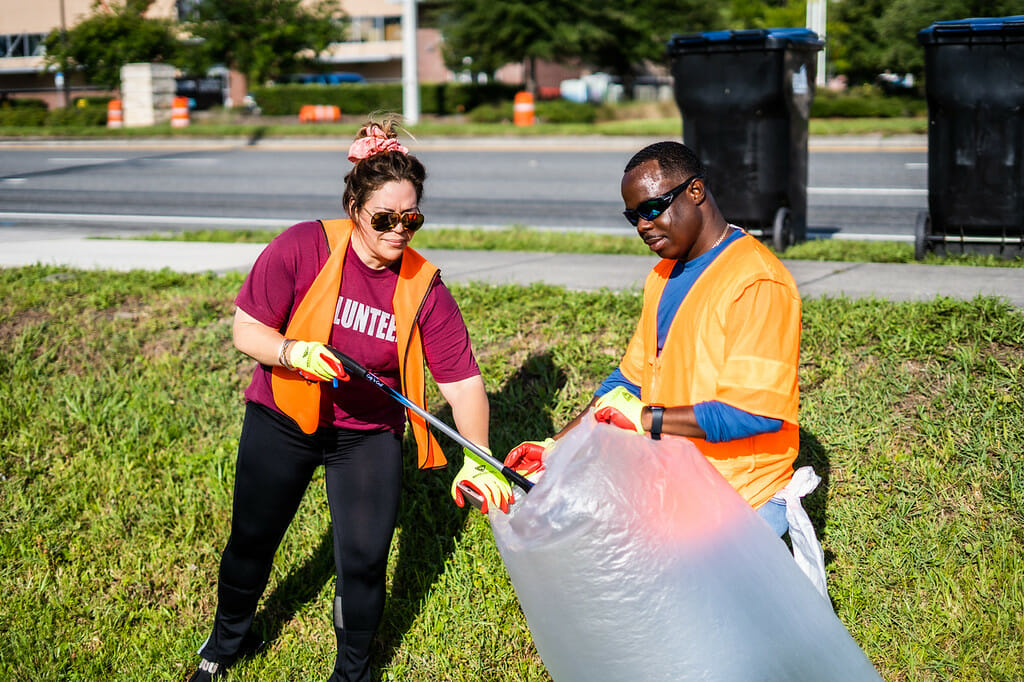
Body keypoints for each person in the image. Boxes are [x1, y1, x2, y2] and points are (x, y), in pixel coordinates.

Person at [189, 119, 512, 682]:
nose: (398, 231)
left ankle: (354, 673)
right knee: (252, 539)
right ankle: (222, 645)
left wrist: (479, 457)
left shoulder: (425, 286)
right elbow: (246, 330)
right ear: (354, 206)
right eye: (384, 219)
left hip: (366, 433)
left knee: (364, 561)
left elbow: (460, 381)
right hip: (285, 415)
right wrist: (291, 352)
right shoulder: (303, 246)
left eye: (411, 218)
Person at [505, 140, 802, 536]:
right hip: (679, 491)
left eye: (651, 208)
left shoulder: (756, 281)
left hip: (743, 500)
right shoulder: (662, 276)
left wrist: (647, 419)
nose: (643, 225)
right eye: (633, 217)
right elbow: (628, 382)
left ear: (695, 191)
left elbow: (755, 413)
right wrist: (556, 448)